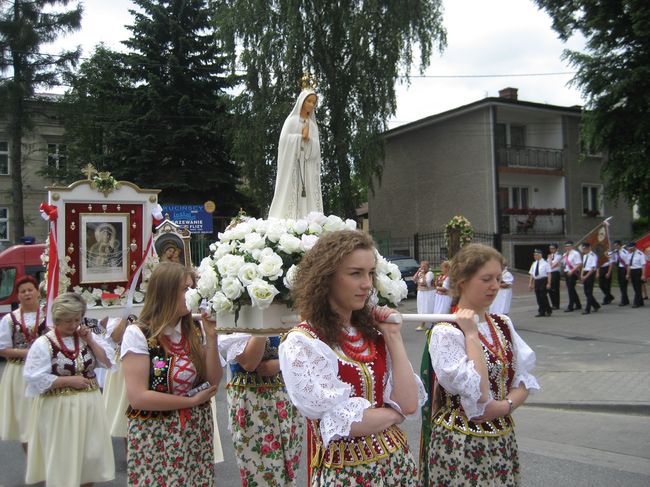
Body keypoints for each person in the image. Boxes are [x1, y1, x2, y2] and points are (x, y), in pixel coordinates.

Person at [279, 230, 425, 486]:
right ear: (326, 278)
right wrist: (394, 415)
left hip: (397, 466)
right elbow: (345, 422)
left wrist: (393, 336)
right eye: (356, 273)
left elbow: (409, 403)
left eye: (370, 273)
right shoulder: (303, 342)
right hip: (347, 475)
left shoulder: (371, 332)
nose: (367, 283)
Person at [420, 243, 540, 486]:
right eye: (486, 279)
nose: (495, 286)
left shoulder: (502, 323)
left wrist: (504, 407)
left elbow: (524, 380)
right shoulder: (447, 331)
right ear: (462, 281)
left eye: (497, 278)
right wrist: (472, 336)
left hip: (502, 438)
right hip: (460, 443)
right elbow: (478, 394)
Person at [121, 262, 222, 486]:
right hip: (156, 432)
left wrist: (212, 339)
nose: (191, 294)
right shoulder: (138, 333)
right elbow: (138, 397)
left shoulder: (194, 329)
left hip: (194, 430)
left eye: (192, 288)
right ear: (166, 291)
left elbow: (213, 381)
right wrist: (190, 401)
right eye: (185, 289)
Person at [23, 292, 115, 486]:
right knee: (63, 460)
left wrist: (90, 340)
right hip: (59, 409)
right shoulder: (44, 344)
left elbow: (107, 362)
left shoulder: (85, 339)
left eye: (77, 319)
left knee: (88, 459)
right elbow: (34, 378)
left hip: (90, 406)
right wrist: (68, 381)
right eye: (68, 321)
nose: (74, 325)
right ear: (58, 319)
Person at [219, 334, 303, 486]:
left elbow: (306, 352)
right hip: (253, 399)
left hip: (286, 397)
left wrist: (280, 364)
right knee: (262, 474)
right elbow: (249, 362)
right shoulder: (237, 318)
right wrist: (264, 316)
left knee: (289, 473)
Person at [0, 276, 48, 452]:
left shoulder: (48, 315)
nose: (27, 294)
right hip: (19, 372)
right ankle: (32, 461)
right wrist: (30, 353)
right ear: (18, 296)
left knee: (44, 417)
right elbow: (3, 349)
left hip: (45, 370)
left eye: (30, 290)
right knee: (26, 420)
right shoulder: (9, 319)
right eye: (23, 291)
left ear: (37, 292)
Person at [268, 89, 323, 219]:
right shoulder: (292, 121)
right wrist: (300, 138)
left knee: (308, 194)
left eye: (313, 102)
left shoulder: (313, 126)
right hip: (292, 166)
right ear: (302, 102)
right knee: (290, 191)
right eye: (309, 101)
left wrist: (308, 140)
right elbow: (283, 142)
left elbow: (316, 149)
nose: (311, 104)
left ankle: (310, 220)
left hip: (307, 168)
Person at [528, 249, 552, 317]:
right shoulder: (534, 263)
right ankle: (541, 311)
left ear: (540, 255)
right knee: (538, 297)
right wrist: (530, 283)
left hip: (543, 280)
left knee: (543, 296)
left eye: (536, 255)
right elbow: (532, 274)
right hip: (537, 281)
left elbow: (549, 274)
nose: (534, 256)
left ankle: (548, 309)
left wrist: (548, 283)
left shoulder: (545, 263)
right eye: (534, 255)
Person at [413, 260, 435, 331]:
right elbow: (414, 279)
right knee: (422, 308)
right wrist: (417, 272)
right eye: (422, 266)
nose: (423, 268)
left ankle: (433, 323)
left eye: (424, 266)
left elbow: (426, 283)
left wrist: (422, 275)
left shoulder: (430, 273)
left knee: (429, 308)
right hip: (421, 293)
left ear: (428, 267)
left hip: (428, 293)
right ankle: (422, 325)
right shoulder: (420, 273)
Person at [580, 242, 600, 315]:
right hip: (585, 272)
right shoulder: (585, 256)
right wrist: (582, 275)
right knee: (586, 292)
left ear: (588, 248)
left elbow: (592, 268)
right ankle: (596, 305)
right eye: (583, 248)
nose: (583, 250)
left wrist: (586, 276)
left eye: (584, 248)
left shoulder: (593, 256)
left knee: (589, 291)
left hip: (590, 274)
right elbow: (583, 266)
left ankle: (587, 309)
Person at [561, 240, 582, 312]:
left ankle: (570, 306)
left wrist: (572, 271)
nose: (567, 247)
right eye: (566, 246)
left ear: (572, 246)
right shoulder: (564, 254)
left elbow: (579, 264)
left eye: (569, 246)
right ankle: (578, 304)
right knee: (571, 289)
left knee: (570, 289)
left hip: (573, 273)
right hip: (567, 273)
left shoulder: (575, 253)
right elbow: (563, 264)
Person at [626, 242, 646, 308]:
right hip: (632, 271)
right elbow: (629, 265)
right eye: (628, 247)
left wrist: (643, 275)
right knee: (635, 287)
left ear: (634, 247)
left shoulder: (640, 254)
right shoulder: (629, 254)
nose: (629, 248)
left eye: (630, 247)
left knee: (637, 287)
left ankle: (636, 303)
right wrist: (628, 274)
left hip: (638, 271)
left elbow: (643, 265)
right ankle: (640, 301)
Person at [612, 240, 630, 306]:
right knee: (621, 286)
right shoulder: (617, 252)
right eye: (614, 246)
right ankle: (626, 300)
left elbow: (628, 264)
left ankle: (624, 301)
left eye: (616, 246)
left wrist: (628, 273)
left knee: (623, 286)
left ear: (619, 245)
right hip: (619, 269)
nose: (615, 247)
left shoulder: (624, 252)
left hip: (624, 269)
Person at [547, 243, 562, 309]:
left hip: (555, 273)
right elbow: (547, 266)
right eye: (550, 248)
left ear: (556, 249)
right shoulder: (550, 256)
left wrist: (550, 260)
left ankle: (556, 304)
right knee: (550, 289)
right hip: (550, 273)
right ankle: (553, 304)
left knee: (555, 289)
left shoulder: (558, 256)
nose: (551, 250)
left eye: (553, 248)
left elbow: (551, 266)